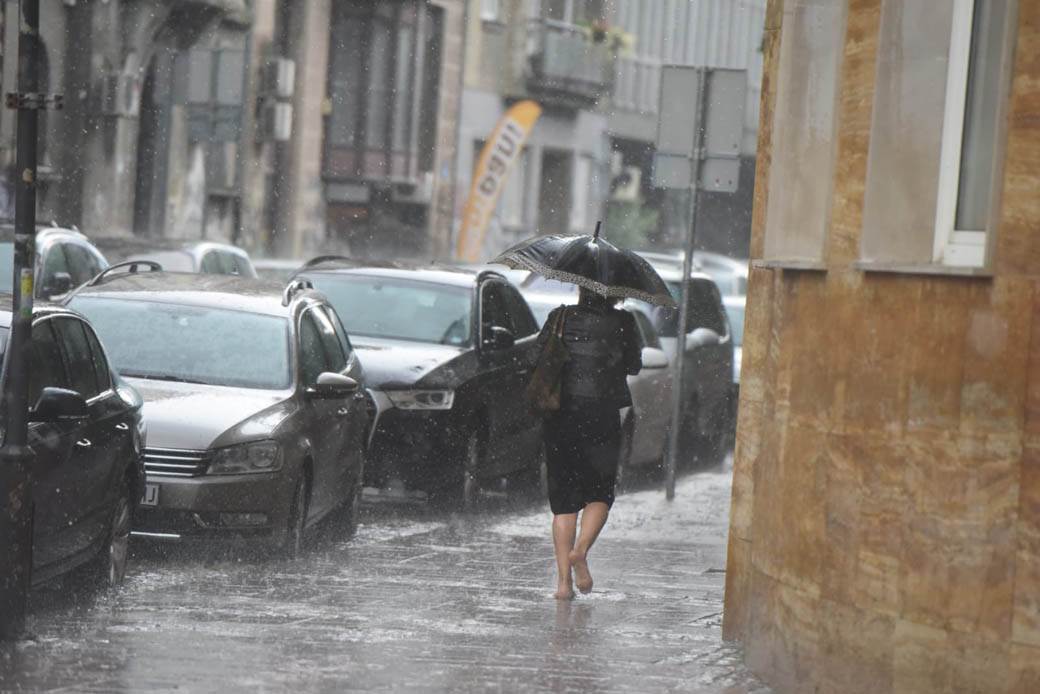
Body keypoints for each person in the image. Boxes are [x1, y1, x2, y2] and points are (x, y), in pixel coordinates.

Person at [538, 287, 642, 599]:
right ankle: (580, 550)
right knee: (599, 492)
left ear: (581, 288)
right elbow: (634, 364)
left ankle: (562, 585)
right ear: (615, 293)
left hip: (561, 415)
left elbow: (536, 356)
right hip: (602, 415)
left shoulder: (560, 316)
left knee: (564, 501)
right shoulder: (624, 322)